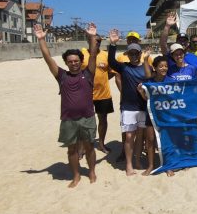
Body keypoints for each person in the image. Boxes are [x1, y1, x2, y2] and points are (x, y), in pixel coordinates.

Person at [34, 22, 98, 188]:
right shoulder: (62, 76)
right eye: (70, 61)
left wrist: (92, 37)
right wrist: (41, 39)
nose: (74, 63)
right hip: (68, 119)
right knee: (71, 150)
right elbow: (48, 59)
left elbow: (93, 55)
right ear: (66, 63)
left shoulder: (88, 73)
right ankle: (76, 175)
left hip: (88, 117)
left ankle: (92, 171)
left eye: (76, 61)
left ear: (81, 61)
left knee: (90, 147)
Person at [108, 29, 148, 176]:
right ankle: (129, 165)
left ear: (140, 53)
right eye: (131, 53)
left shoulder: (146, 68)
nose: (133, 56)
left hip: (142, 106)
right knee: (129, 137)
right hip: (128, 107)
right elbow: (111, 62)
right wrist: (113, 44)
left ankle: (137, 161)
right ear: (127, 55)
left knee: (140, 137)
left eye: (136, 53)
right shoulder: (124, 67)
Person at [80, 34, 116, 153]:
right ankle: (83, 147)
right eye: (95, 41)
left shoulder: (105, 55)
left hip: (103, 94)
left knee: (103, 119)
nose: (97, 43)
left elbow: (112, 71)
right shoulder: (82, 54)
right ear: (88, 41)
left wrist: (103, 79)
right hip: (85, 94)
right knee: (84, 121)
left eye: (99, 41)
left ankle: (101, 143)